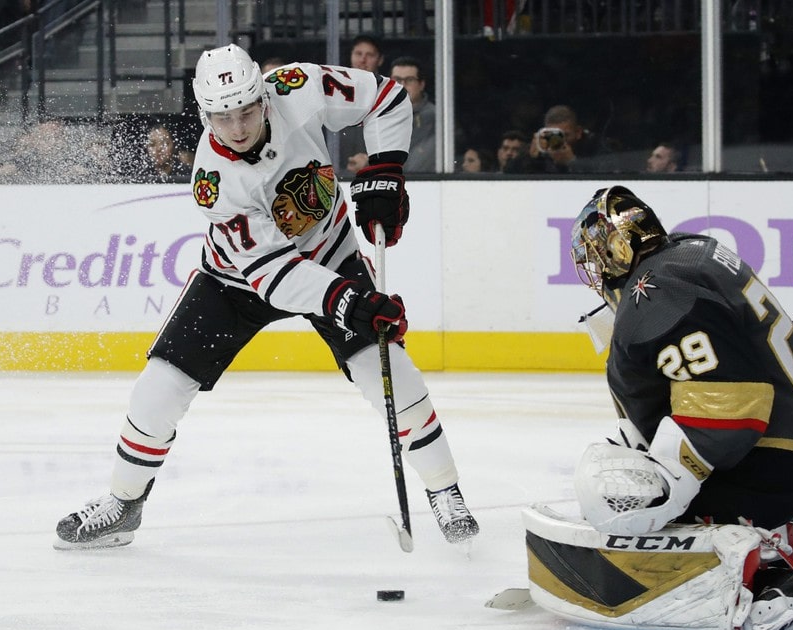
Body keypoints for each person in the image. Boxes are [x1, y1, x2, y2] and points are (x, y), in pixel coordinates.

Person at [54, 43, 479, 550]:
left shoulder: (300, 87)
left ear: (264, 94)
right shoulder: (214, 181)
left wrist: (385, 168)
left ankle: (445, 492)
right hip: (235, 284)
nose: (236, 128)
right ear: (204, 113)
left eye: (247, 111)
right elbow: (275, 275)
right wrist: (352, 304)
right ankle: (124, 502)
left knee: (392, 374)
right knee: (157, 388)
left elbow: (386, 98)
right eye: (221, 117)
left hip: (330, 255)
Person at [534, 185, 793, 630]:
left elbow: (730, 409)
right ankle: (782, 534)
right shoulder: (690, 252)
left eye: (597, 253)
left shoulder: (656, 295)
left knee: (619, 493)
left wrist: (669, 489)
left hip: (780, 461)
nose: (596, 269)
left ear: (619, 248)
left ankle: (766, 575)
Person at [336, 34, 385, 177]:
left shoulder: (386, 95)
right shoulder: (335, 92)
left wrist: (371, 161)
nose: (363, 60)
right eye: (358, 54)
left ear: (380, 60)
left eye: (369, 55)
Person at [505, 104, 604, 173]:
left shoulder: (593, 146)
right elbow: (507, 171)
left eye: (565, 136)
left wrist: (573, 163)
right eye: (553, 136)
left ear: (578, 132)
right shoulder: (540, 150)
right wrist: (530, 158)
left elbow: (608, 169)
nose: (559, 141)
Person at [389, 56, 436, 173]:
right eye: (397, 80)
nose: (402, 85)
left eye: (409, 80)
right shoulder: (376, 115)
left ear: (421, 84)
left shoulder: (437, 118)